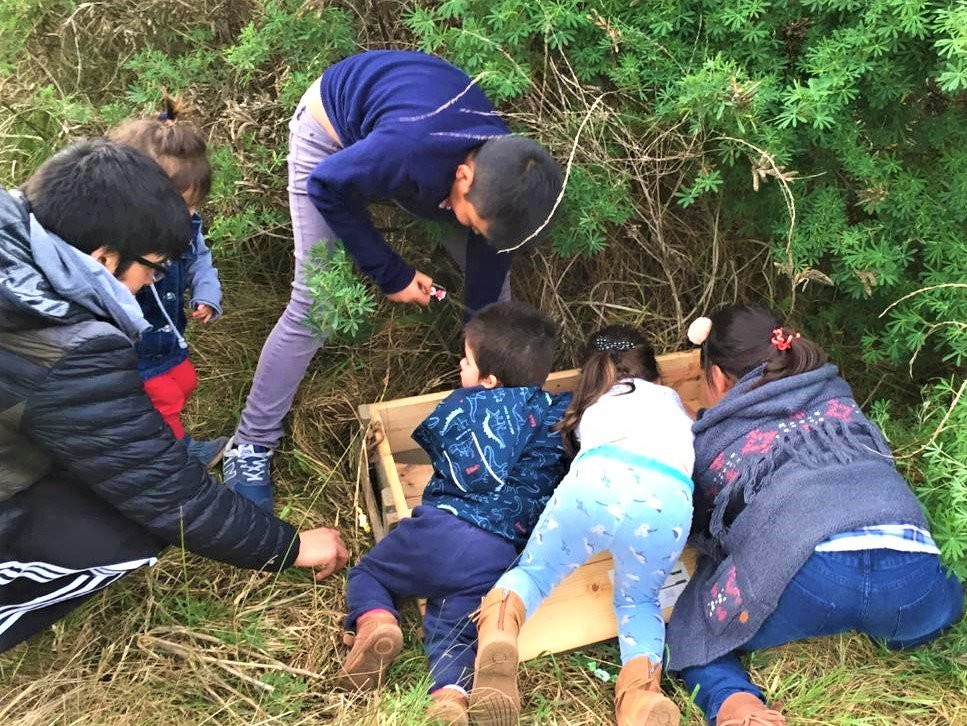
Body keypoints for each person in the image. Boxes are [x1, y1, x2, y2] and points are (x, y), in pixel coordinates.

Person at [0, 139, 347, 653]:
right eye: (152, 267)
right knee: (127, 524)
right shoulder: (69, 347)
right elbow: (166, 493)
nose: (151, 283)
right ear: (103, 257)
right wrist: (291, 547)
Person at [223, 50, 564, 511]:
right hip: (332, 139)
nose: (474, 232)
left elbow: (489, 259)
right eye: (473, 222)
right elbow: (328, 184)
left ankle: (495, 420)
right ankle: (249, 446)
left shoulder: (507, 178)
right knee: (316, 306)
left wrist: (480, 335)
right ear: (463, 177)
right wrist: (392, 274)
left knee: (494, 306)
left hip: (407, 150)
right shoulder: (409, 152)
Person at [666, 304, 964, 726]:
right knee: (940, 607)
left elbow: (700, 523)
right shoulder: (837, 397)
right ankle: (907, 626)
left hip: (806, 579)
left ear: (715, 377)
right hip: (906, 564)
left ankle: (735, 703)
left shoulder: (719, 436)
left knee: (699, 622)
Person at [338, 302, 571, 726]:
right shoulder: (555, 413)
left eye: (466, 361)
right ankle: (450, 696)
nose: (460, 366)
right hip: (499, 552)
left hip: (442, 529)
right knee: (453, 625)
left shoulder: (472, 405)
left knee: (369, 575)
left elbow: (452, 451)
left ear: (489, 380)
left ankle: (377, 622)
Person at [469, 326, 695, 726]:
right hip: (667, 502)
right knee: (639, 601)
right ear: (657, 378)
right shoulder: (672, 401)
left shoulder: (588, 407)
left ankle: (501, 631)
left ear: (589, 375)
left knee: (535, 574)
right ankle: (642, 697)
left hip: (596, 484)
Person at [108, 96, 227, 467]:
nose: (188, 218)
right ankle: (175, 460)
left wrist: (207, 292)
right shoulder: (114, 243)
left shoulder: (185, 226)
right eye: (180, 208)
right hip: (136, 349)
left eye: (193, 208)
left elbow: (199, 258)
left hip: (170, 334)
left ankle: (172, 443)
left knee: (182, 381)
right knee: (161, 399)